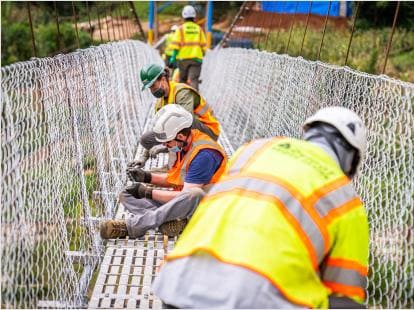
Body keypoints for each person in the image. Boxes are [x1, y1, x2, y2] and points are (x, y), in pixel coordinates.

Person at [153, 106, 370, 309]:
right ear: (351, 161)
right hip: (253, 300)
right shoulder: (347, 201)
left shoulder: (253, 149)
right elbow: (345, 297)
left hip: (177, 282)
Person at [100, 104, 227, 238]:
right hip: (181, 202)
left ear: (181, 136)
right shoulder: (184, 146)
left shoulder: (204, 154)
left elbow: (186, 195)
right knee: (126, 194)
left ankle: (131, 226)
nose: (165, 146)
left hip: (207, 207)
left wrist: (148, 192)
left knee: (194, 194)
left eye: (167, 142)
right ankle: (169, 220)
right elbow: (176, 179)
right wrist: (147, 177)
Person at [128, 63, 221, 169]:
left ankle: (175, 164)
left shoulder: (182, 93)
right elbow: (159, 130)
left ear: (163, 79)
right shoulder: (160, 103)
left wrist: (162, 148)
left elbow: (185, 125)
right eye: (149, 88)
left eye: (153, 86)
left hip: (208, 132)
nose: (152, 90)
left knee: (180, 123)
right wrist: (143, 158)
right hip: (182, 133)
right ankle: (172, 163)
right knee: (146, 139)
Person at [168, 5, 207, 90]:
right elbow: (204, 46)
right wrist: (202, 54)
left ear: (183, 16)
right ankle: (195, 101)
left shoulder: (180, 29)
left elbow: (176, 46)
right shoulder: (199, 29)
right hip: (196, 59)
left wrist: (172, 59)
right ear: (194, 17)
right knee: (194, 80)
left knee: (182, 81)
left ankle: (182, 100)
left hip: (183, 59)